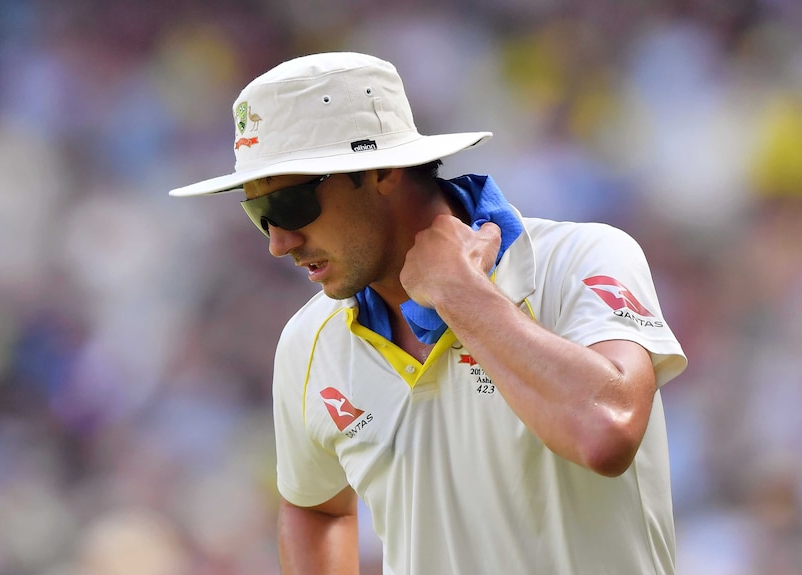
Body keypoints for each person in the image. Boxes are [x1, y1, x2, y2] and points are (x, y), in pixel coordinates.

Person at [169, 52, 688, 575]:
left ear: (382, 171)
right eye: (259, 214)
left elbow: (605, 432)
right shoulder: (308, 341)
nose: (279, 243)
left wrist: (461, 295)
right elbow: (316, 507)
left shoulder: (579, 258)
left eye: (290, 205)